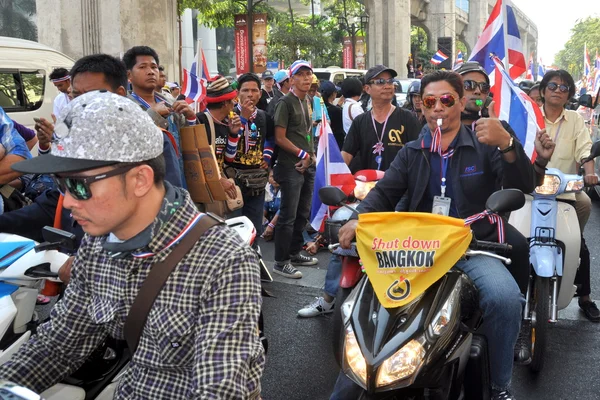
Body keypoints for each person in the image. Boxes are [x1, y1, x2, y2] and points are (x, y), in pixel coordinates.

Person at [0, 90, 265, 399]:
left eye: (77, 185)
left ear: (139, 180)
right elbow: (59, 343)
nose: (68, 201)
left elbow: (221, 389)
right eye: (60, 184)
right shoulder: (97, 245)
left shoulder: (224, 261)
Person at [332, 70, 537, 400]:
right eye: (430, 101)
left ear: (460, 102)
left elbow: (523, 184)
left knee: (505, 298)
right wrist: (359, 218)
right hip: (416, 250)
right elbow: (384, 193)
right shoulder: (413, 151)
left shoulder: (486, 143)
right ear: (422, 107)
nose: (438, 107)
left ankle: (499, 386)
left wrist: (508, 145)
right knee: (366, 307)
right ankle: (356, 380)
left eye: (446, 99)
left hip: (471, 247)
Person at [0, 53, 130, 246]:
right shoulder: (74, 142)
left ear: (119, 94)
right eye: (76, 96)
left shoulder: (148, 144)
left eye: (91, 97)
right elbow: (54, 204)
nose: (79, 105)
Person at [540, 69, 600, 322]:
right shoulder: (530, 114)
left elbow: (585, 150)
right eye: (552, 86)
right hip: (529, 189)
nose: (557, 90)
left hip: (565, 191)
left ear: (569, 95)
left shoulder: (575, 119)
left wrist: (590, 173)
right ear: (543, 91)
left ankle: (585, 299)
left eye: (564, 88)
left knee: (578, 238)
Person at [123, 46, 197, 187]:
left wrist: (191, 117)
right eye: (143, 67)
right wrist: (153, 114)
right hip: (148, 185)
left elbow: (189, 143)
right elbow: (128, 139)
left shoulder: (171, 104)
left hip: (180, 181)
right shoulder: (125, 107)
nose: (150, 72)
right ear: (129, 76)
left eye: (154, 67)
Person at [272, 60, 319, 279]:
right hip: (291, 165)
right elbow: (279, 138)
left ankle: (294, 252)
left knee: (302, 213)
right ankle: (281, 262)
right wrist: (302, 154)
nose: (307, 78)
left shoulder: (308, 100)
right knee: (288, 215)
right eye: (301, 74)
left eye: (309, 74)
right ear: (291, 79)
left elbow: (306, 133)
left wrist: (311, 155)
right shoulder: (286, 102)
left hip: (307, 163)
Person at [342, 65, 421, 172]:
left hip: (399, 186)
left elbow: (418, 156)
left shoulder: (407, 118)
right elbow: (346, 155)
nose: (387, 86)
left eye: (390, 81)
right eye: (380, 82)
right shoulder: (360, 122)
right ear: (367, 89)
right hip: (368, 186)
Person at [225, 72, 275, 234]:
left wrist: (266, 158)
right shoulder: (228, 115)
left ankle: (253, 257)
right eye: (245, 90)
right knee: (235, 228)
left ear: (260, 94)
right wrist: (244, 118)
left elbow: (271, 139)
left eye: (254, 91)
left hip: (257, 179)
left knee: (254, 228)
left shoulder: (264, 117)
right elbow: (228, 146)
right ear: (237, 93)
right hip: (233, 179)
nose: (250, 95)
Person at [197, 76, 242, 201]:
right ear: (224, 103)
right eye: (232, 101)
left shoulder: (225, 123)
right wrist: (217, 179)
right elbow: (197, 159)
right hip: (204, 188)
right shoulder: (200, 121)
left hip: (220, 185)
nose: (234, 104)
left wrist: (233, 134)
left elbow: (229, 159)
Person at [320, 81, 345, 149]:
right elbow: (339, 131)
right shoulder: (337, 110)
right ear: (333, 94)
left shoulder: (319, 106)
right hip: (335, 143)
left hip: (321, 142)